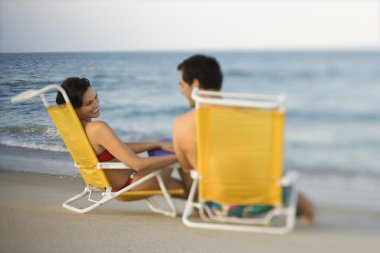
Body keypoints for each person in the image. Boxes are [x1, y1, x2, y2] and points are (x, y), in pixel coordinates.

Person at [172, 54, 315, 224]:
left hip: (217, 204)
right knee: (307, 207)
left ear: (195, 85)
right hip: (264, 199)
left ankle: (197, 209)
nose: (182, 91)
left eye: (182, 85)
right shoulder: (253, 117)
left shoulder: (181, 125)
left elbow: (186, 168)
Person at [56, 77, 184, 193]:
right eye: (89, 103)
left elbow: (118, 148)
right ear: (73, 109)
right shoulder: (97, 128)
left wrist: (155, 144)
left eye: (96, 97)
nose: (96, 104)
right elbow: (138, 164)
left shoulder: (78, 131)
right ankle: (196, 207)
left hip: (118, 184)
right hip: (133, 184)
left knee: (186, 189)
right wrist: (180, 157)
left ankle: (197, 208)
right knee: (182, 147)